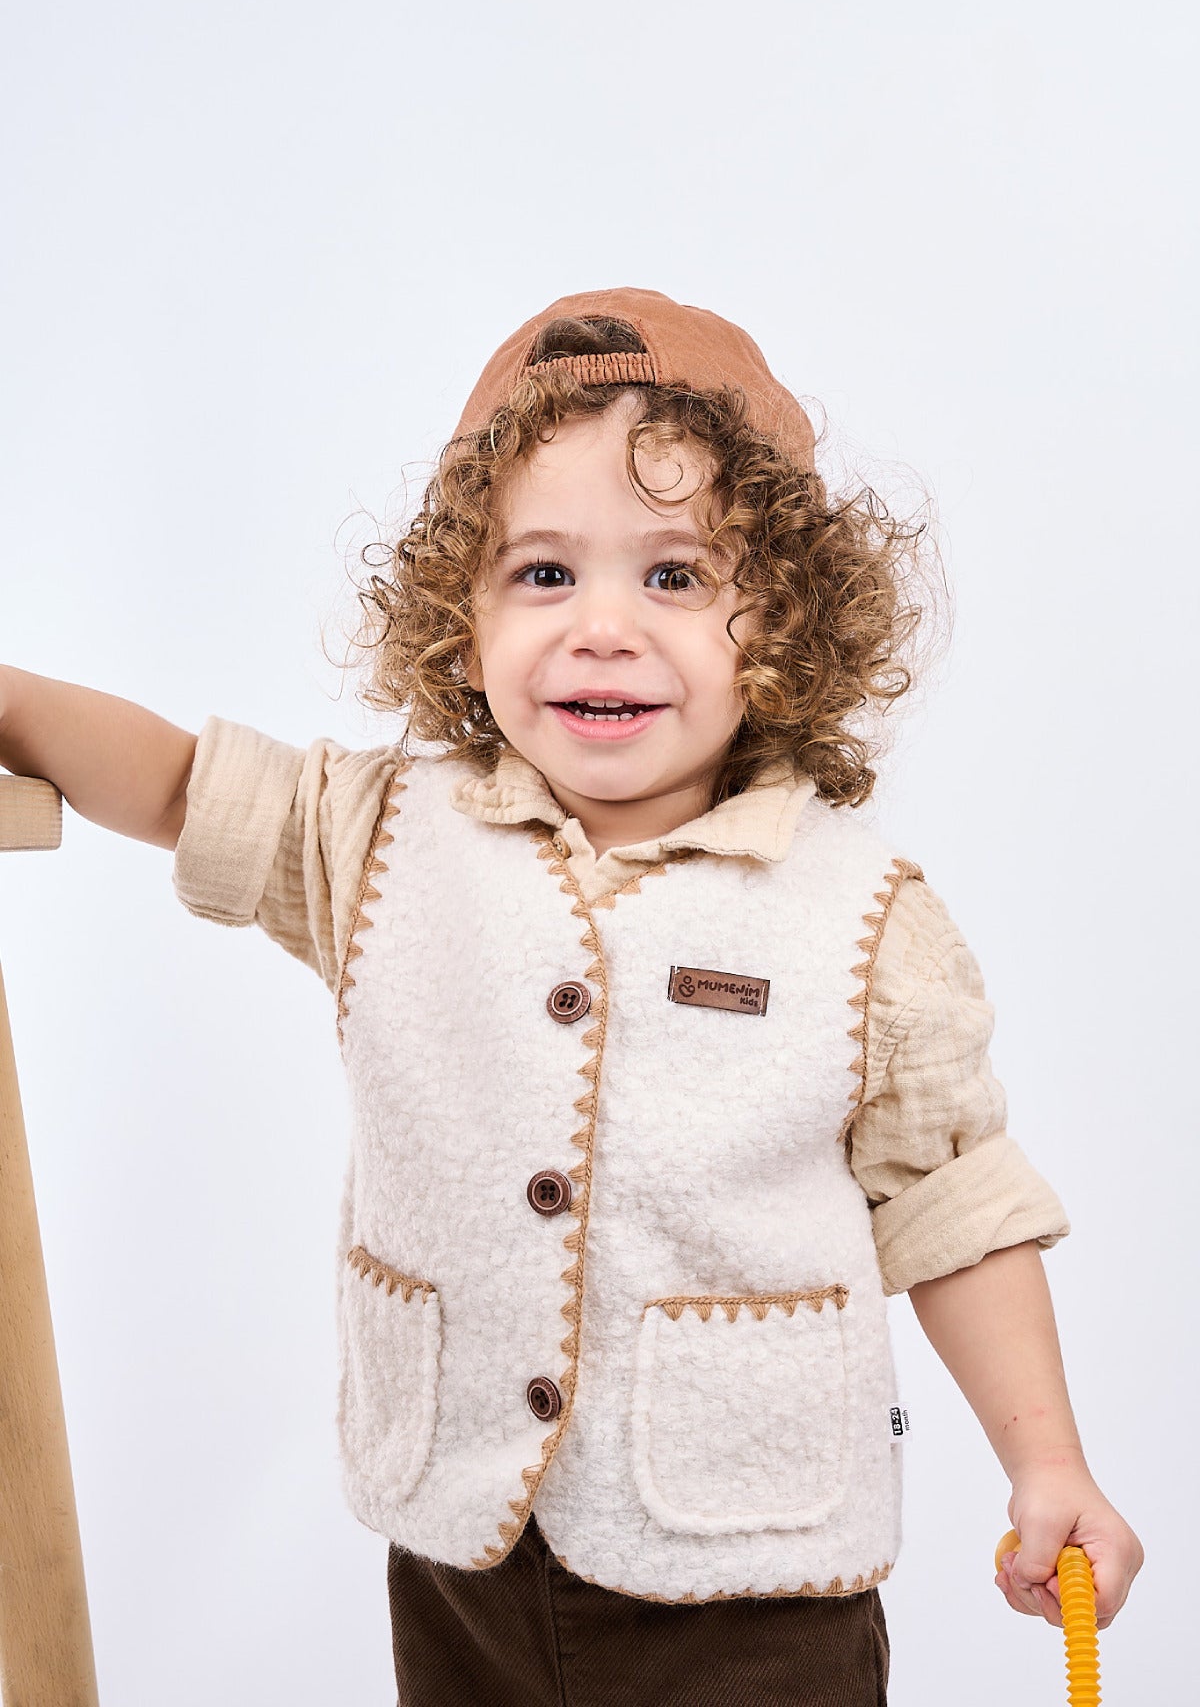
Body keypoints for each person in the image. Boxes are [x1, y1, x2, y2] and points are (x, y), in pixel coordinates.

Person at [0, 287, 1142, 1705]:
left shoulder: (863, 918)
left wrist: (1048, 1463)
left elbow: (954, 1205)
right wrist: (14, 702)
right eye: (543, 573)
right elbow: (182, 786)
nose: (602, 627)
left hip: (754, 1580)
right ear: (461, 610)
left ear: (785, 620)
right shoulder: (379, 839)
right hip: (467, 1555)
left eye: (675, 576)